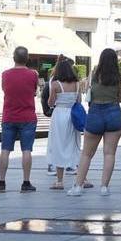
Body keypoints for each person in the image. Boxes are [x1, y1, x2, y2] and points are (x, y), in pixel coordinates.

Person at [67, 49, 121, 196]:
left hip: (95, 113)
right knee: (109, 153)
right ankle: (104, 187)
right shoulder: (118, 77)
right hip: (113, 113)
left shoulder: (94, 74)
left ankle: (78, 186)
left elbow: (87, 91)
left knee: (87, 153)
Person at [0, 46, 39, 193]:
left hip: (9, 116)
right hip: (27, 116)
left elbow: (5, 89)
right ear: (27, 58)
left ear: (13, 58)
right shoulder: (33, 74)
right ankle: (26, 182)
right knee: (26, 150)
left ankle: (1, 182)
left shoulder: (5, 75)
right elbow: (34, 91)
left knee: (5, 150)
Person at [46, 58, 82, 190]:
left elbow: (50, 103)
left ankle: (60, 181)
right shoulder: (77, 84)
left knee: (58, 145)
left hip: (60, 115)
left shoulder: (55, 84)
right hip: (73, 115)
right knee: (74, 145)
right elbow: (79, 100)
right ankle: (83, 177)